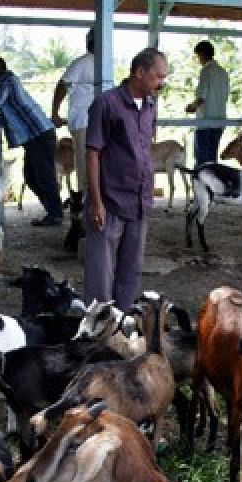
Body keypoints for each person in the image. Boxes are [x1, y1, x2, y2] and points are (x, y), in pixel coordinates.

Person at [83, 48, 169, 310]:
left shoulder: (151, 106)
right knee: (101, 275)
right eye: (158, 77)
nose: (162, 83)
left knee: (131, 271)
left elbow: (144, 149)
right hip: (109, 201)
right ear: (139, 72)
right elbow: (93, 153)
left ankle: (121, 327)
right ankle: (98, 334)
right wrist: (96, 202)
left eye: (164, 77)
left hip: (140, 201)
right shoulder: (106, 104)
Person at [0, 56, 64, 227]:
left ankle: (55, 215)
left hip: (38, 134)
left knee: (43, 177)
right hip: (35, 135)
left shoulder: (6, 81)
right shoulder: (5, 81)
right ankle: (53, 212)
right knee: (33, 177)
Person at [51, 28, 96, 212]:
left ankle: (94, 211)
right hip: (83, 122)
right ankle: (86, 217)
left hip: (97, 123)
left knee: (96, 170)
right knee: (86, 170)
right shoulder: (83, 63)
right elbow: (63, 84)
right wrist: (55, 112)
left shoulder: (103, 62)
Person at [184, 40, 229, 166]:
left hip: (205, 122)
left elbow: (201, 97)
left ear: (202, 54)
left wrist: (191, 107)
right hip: (220, 120)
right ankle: (212, 185)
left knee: (202, 162)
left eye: (198, 56)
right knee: (212, 160)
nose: (199, 59)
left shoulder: (206, 70)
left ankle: (202, 185)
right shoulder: (223, 72)